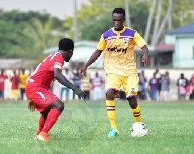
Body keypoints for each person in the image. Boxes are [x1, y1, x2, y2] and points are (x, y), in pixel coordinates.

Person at [79, 8, 150, 137]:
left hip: (129, 72)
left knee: (132, 101)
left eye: (119, 20)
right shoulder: (106, 35)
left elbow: (143, 45)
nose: (116, 22)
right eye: (114, 20)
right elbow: (97, 52)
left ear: (123, 20)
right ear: (112, 20)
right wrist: (86, 65)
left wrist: (145, 55)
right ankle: (114, 128)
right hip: (112, 72)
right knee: (109, 93)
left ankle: (139, 124)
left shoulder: (132, 33)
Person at [25, 38, 86, 141]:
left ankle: (39, 135)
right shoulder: (59, 58)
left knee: (47, 111)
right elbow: (57, 75)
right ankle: (43, 134)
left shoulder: (53, 56)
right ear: (70, 51)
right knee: (59, 105)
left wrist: (33, 96)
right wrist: (75, 88)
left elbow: (39, 72)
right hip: (35, 88)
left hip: (34, 87)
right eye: (72, 53)